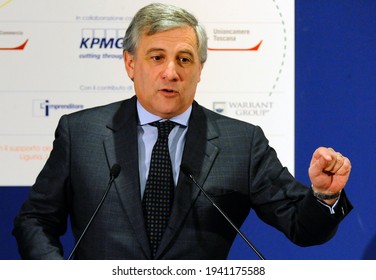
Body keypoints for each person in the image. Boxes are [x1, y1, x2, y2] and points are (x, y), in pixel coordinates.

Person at [13, 3, 352, 260]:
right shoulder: (81, 133)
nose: (171, 72)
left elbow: (303, 228)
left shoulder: (242, 143)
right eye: (157, 57)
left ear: (200, 68)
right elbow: (35, 220)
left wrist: (324, 196)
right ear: (131, 63)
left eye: (185, 59)